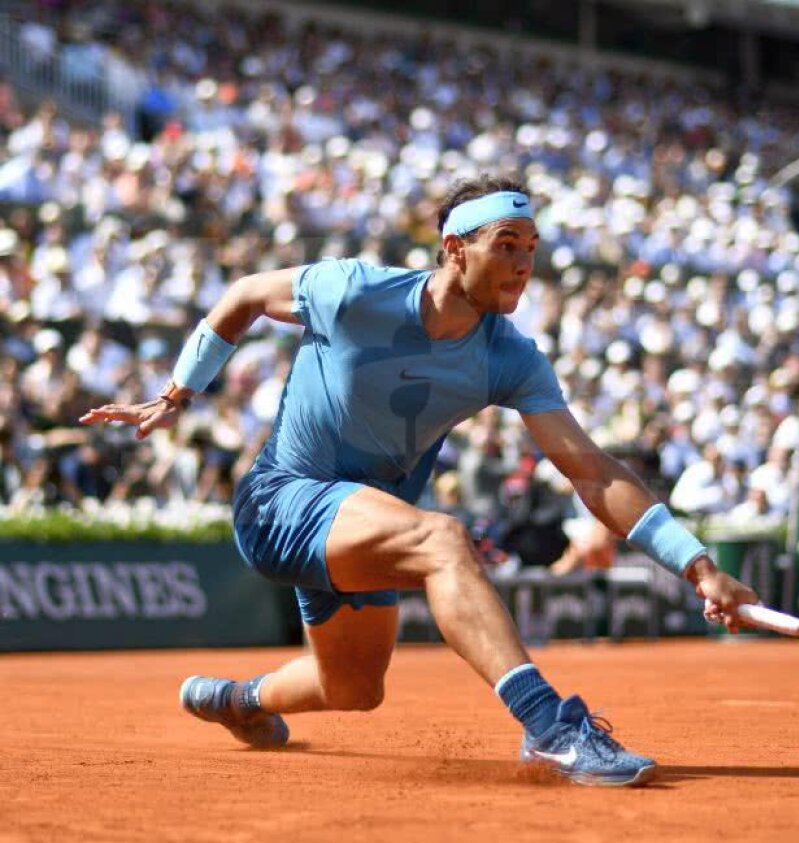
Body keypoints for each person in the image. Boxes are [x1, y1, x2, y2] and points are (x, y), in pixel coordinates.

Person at [80, 174, 758, 788]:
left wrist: (697, 566)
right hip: (280, 500)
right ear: (454, 247)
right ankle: (551, 729)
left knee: (353, 686)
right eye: (507, 244)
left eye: (532, 247)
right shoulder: (353, 292)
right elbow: (246, 294)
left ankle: (236, 701)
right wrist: (178, 392)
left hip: (361, 523)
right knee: (443, 539)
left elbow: (591, 470)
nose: (524, 263)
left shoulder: (509, 356)